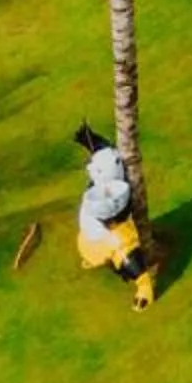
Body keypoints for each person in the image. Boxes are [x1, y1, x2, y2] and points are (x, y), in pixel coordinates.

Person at [72, 123, 157, 308]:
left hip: (115, 228)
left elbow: (105, 151)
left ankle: (143, 283)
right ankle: (143, 284)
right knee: (120, 243)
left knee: (123, 240)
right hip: (95, 241)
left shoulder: (111, 163)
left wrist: (89, 137)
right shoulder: (98, 194)